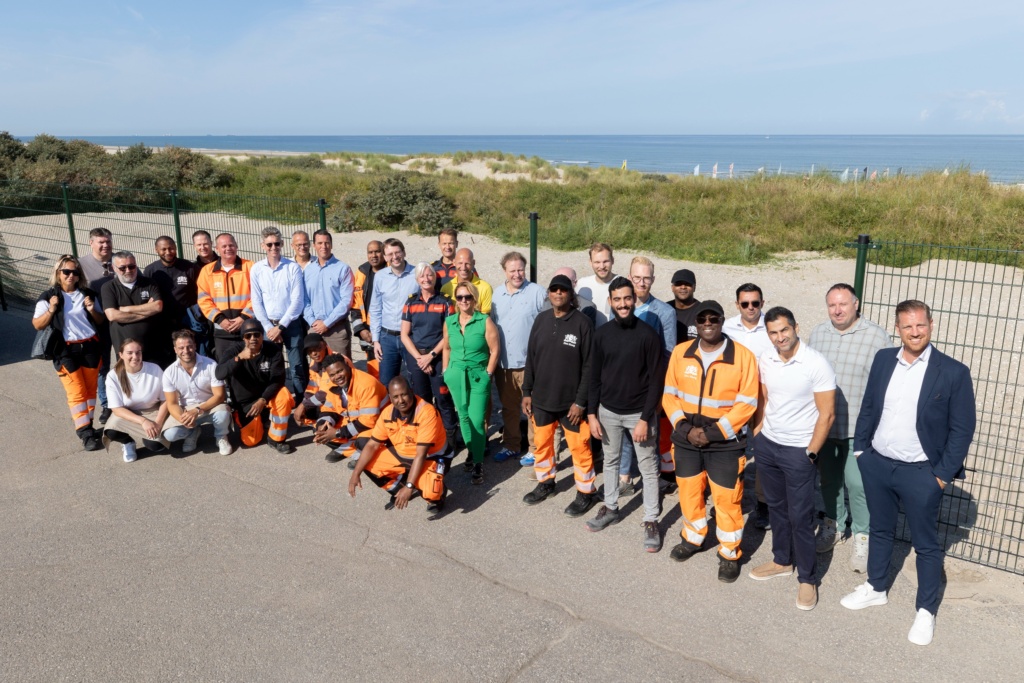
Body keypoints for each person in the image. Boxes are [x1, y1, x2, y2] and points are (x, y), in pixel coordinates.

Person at [840, 300, 976, 647]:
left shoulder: (953, 372)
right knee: (881, 530)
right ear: (897, 328)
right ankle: (876, 586)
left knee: (926, 544)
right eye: (907, 327)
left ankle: (926, 610)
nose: (915, 332)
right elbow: (869, 405)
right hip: (878, 464)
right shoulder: (885, 359)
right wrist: (862, 452)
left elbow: (962, 429)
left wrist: (941, 476)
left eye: (921, 325)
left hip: (922, 473)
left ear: (931, 324)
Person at [662, 300, 759, 581]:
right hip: (685, 438)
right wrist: (683, 427)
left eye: (713, 318)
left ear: (721, 321)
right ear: (696, 323)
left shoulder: (743, 357)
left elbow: (748, 403)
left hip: (725, 443)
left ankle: (730, 553)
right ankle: (693, 537)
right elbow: (670, 394)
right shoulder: (681, 353)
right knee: (689, 492)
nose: (707, 323)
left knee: (727, 499)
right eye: (702, 319)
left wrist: (713, 433)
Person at [749, 307, 836, 612]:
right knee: (776, 508)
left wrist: (811, 450)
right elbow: (763, 398)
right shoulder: (767, 358)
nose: (779, 337)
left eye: (784, 330)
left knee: (801, 517)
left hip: (799, 451)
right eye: (773, 332)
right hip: (769, 446)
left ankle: (808, 579)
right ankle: (781, 560)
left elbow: (827, 413)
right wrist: (758, 433)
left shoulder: (815, 363)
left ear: (796, 327)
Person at [807, 283, 893, 570]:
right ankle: (832, 525)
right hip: (826, 426)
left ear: (856, 304)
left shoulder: (876, 336)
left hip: (860, 427)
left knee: (858, 484)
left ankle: (862, 536)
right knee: (829, 483)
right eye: (832, 305)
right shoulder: (818, 333)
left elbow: (886, 382)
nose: (838, 310)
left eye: (843, 304)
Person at [584, 277, 665, 553]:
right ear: (610, 301)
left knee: (648, 467)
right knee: (611, 462)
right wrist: (592, 414)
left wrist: (645, 418)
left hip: (637, 415)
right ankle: (610, 507)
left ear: (634, 299)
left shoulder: (647, 335)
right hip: (607, 412)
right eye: (617, 299)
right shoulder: (602, 334)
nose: (623, 304)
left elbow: (656, 381)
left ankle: (651, 519)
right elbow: (593, 377)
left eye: (627, 298)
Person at [521, 275, 597, 515]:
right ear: (549, 294)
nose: (558, 293)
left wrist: (580, 402)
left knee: (580, 449)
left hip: (570, 405)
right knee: (542, 445)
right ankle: (546, 483)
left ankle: (586, 492)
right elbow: (531, 358)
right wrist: (526, 391)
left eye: (563, 290)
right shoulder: (541, 320)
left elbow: (589, 366)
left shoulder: (583, 323)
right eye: (554, 289)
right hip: (542, 400)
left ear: (570, 294)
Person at [347, 376, 453, 514]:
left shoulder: (426, 412)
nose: (401, 400)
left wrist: (409, 486)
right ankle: (398, 489)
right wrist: (356, 473)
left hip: (431, 457)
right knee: (364, 461)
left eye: (404, 395)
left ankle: (437, 493)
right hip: (405, 455)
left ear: (411, 391)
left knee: (432, 492)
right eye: (396, 396)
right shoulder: (388, 412)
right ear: (390, 397)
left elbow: (421, 454)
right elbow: (372, 445)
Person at [32, 255, 106, 450]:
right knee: (76, 391)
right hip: (65, 349)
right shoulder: (48, 296)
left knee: (90, 391)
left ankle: (87, 426)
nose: (71, 275)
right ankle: (85, 433)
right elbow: (37, 324)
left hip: (90, 346)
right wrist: (52, 309)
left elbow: (100, 321)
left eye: (75, 272)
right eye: (66, 271)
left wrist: (91, 309)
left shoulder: (87, 293)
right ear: (58, 273)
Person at [617, 256, 676, 493]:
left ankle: (651, 480)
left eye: (646, 278)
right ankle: (624, 479)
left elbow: (668, 354)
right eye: (637, 277)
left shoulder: (664, 312)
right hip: (623, 382)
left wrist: (660, 390)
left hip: (649, 384)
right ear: (630, 277)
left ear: (653, 279)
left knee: (646, 435)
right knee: (623, 433)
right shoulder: (619, 306)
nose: (641, 282)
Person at [723, 282, 774, 529]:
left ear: (763, 303)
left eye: (755, 303)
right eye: (745, 304)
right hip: (735, 398)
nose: (750, 308)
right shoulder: (727, 328)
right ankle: (734, 500)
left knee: (762, 452)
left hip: (765, 398)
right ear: (737, 305)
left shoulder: (772, 327)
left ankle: (763, 505)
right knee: (733, 451)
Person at [490, 251, 546, 465]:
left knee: (532, 408)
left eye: (520, 269)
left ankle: (535, 447)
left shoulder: (537, 293)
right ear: (505, 271)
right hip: (503, 364)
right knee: (509, 408)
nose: (517, 274)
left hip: (529, 365)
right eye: (512, 270)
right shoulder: (496, 296)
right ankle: (512, 444)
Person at [443, 281, 500, 486]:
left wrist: (488, 374)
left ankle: (478, 462)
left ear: (474, 299)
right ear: (456, 301)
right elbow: (447, 348)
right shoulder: (450, 322)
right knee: (464, 417)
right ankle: (471, 452)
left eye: (468, 297)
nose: (464, 301)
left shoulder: (484, 321)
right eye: (460, 297)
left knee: (477, 420)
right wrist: (445, 370)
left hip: (477, 376)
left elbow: (494, 350)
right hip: (456, 375)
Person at [214, 318, 296, 454]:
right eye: (248, 335)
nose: (253, 338)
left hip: (266, 397)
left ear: (262, 336)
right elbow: (219, 374)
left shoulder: (273, 350)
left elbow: (278, 380)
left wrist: (263, 400)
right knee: (250, 441)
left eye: (257, 334)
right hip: (245, 402)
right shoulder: (233, 352)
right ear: (243, 338)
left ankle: (276, 439)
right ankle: (260, 419)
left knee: (284, 395)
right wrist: (239, 358)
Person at [399, 263, 458, 449]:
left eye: (429, 275)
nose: (426, 279)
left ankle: (449, 438)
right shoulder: (410, 303)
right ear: (417, 280)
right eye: (422, 276)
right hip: (417, 358)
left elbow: (449, 335)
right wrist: (420, 359)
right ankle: (425, 436)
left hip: (438, 357)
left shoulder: (446, 303)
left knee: (443, 399)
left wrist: (431, 356)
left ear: (435, 278)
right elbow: (404, 334)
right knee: (421, 399)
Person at [251, 226, 307, 400]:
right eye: (269, 245)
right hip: (268, 326)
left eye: (276, 244)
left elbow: (297, 301)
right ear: (262, 246)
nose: (273, 248)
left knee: (297, 367)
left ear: (282, 244)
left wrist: (280, 327)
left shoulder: (293, 268)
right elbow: (256, 302)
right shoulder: (257, 269)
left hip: (291, 325)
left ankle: (301, 407)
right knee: (271, 368)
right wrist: (269, 327)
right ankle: (275, 405)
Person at [161, 329, 232, 456]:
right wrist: (183, 419)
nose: (186, 351)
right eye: (181, 348)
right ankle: (193, 432)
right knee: (170, 435)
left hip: (210, 405)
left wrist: (198, 410)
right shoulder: (169, 373)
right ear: (175, 350)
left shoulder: (211, 364)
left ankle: (221, 436)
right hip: (186, 410)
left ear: (195, 346)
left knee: (223, 414)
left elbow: (219, 396)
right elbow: (171, 404)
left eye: (189, 346)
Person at [311, 353, 389, 465]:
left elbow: (369, 421)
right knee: (319, 432)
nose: (337, 376)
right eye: (332, 374)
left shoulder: (366, 384)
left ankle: (366, 458)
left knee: (363, 441)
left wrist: (338, 433)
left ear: (348, 365)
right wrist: (323, 425)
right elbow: (329, 409)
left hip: (378, 424)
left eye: (339, 371)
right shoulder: (332, 384)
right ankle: (357, 454)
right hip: (355, 422)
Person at [101, 338, 169, 462]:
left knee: (155, 445)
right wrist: (143, 421)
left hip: (153, 411)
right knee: (111, 431)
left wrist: (158, 423)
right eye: (130, 353)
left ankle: (152, 436)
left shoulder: (155, 369)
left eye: (138, 352)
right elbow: (116, 409)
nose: (135, 356)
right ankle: (127, 443)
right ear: (121, 355)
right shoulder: (113, 376)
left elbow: (166, 400)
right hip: (129, 414)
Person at [101, 251, 167, 366]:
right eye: (122, 268)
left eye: (132, 266)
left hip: (153, 349)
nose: (128, 270)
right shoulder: (108, 288)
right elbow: (112, 315)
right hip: (127, 353)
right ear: (114, 268)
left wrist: (126, 309)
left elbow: (157, 306)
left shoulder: (149, 283)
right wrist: (147, 312)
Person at [197, 232, 254, 362]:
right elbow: (203, 300)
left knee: (250, 365)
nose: (228, 249)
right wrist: (220, 319)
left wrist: (243, 317)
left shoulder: (250, 267)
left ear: (237, 246)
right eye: (224, 246)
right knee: (226, 366)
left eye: (231, 245)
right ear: (217, 249)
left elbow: (258, 296)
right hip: (222, 331)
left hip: (247, 328)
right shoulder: (207, 271)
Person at [370, 238, 419, 386]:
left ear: (404, 252)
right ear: (385, 257)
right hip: (387, 338)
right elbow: (376, 308)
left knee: (415, 381)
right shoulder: (380, 277)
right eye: (390, 254)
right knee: (386, 382)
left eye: (397, 252)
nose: (395, 257)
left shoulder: (417, 274)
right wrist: (376, 340)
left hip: (411, 336)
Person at [77, 227, 114, 424]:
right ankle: (107, 404)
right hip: (96, 324)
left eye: (108, 241)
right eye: (100, 242)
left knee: (129, 361)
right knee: (103, 366)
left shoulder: (121, 262)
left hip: (121, 322)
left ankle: (128, 401)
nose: (105, 245)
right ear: (91, 243)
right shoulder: (81, 265)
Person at [303, 229, 355, 359]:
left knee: (341, 369)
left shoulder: (343, 269)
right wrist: (313, 321)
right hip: (314, 328)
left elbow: (346, 301)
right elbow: (304, 300)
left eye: (327, 243)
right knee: (317, 370)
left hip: (337, 329)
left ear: (331, 245)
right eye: (320, 243)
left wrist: (326, 323)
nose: (323, 246)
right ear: (314, 245)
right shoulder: (308, 271)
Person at [142, 236, 199, 344]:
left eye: (171, 248)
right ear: (156, 250)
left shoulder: (190, 268)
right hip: (162, 322)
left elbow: (200, 292)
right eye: (163, 249)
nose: (168, 252)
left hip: (187, 320)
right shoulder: (151, 271)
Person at [351, 240, 386, 356]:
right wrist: (361, 330)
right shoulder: (362, 272)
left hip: (388, 330)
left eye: (377, 251)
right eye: (370, 252)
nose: (373, 255)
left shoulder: (392, 271)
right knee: (372, 370)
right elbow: (355, 306)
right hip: (368, 331)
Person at [291, 332, 334, 428]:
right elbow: (312, 388)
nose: (314, 353)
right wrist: (304, 406)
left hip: (340, 403)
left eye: (317, 348)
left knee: (325, 429)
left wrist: (303, 405)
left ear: (324, 344)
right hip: (328, 400)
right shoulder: (314, 364)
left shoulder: (335, 362)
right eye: (310, 351)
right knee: (308, 411)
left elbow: (325, 393)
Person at [440, 248, 493, 314]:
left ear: (473, 263)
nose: (463, 267)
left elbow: (485, 319)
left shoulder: (485, 288)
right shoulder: (446, 288)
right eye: (460, 263)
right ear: (454, 262)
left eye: (467, 263)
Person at [575, 242, 616, 326]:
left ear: (612, 260)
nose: (602, 266)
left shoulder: (623, 284)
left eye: (606, 261)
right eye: (597, 262)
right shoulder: (582, 285)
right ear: (590, 262)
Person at [670, 269, 701, 343]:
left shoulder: (702, 311)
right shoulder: (664, 309)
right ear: (672, 287)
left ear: (694, 287)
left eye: (688, 284)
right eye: (678, 284)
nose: (683, 287)